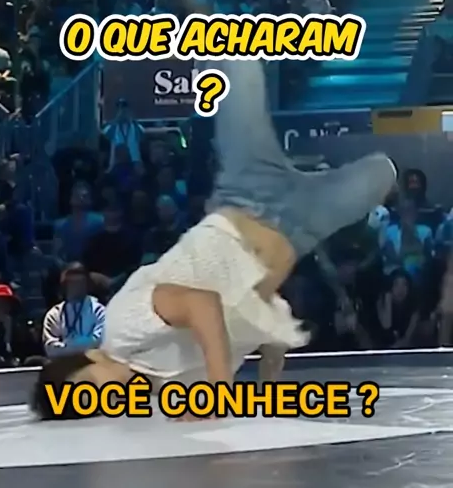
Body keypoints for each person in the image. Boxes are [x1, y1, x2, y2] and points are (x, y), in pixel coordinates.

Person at [32, 59, 396, 420]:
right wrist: (267, 383)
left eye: (90, 387)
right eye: (93, 403)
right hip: (296, 232)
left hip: (254, 203)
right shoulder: (170, 381)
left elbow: (202, 305)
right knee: (381, 174)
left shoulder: (122, 329)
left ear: (90, 357)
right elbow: (257, 324)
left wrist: (219, 394)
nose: (105, 396)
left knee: (240, 72)